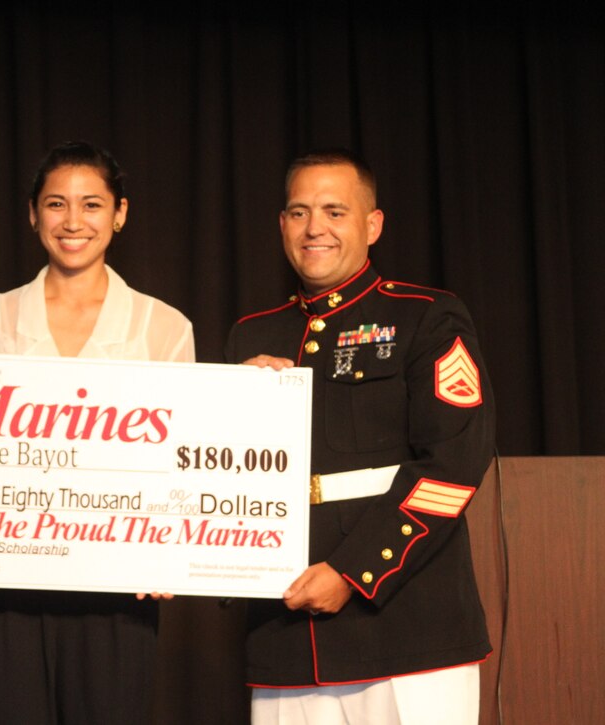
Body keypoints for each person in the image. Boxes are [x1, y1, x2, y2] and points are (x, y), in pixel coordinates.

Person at [225, 149, 494, 724]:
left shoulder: (427, 316)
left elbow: (453, 467)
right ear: (281, 225)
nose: (313, 228)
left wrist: (354, 571)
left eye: (334, 211)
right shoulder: (252, 335)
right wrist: (236, 405)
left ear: (372, 225)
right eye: (298, 212)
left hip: (406, 630)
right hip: (285, 638)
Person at [0, 141, 195, 724]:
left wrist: (168, 554)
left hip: (117, 588)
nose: (73, 222)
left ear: (119, 214)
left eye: (92, 205)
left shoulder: (164, 327)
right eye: (56, 204)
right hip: (3, 583)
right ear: (32, 214)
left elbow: (180, 463)